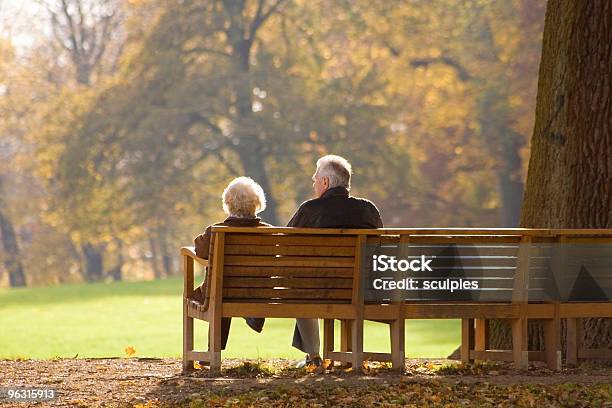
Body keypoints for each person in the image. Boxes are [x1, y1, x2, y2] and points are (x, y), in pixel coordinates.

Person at [287, 154, 383, 368]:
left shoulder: (309, 210)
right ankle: (333, 355)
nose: (313, 183)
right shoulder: (368, 210)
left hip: (316, 290)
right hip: (364, 289)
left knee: (300, 283)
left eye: (315, 179)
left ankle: (313, 357)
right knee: (306, 282)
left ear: (325, 182)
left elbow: (285, 245)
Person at [192, 177, 269, 350]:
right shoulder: (269, 233)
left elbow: (200, 251)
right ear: (257, 203)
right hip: (256, 294)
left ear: (228, 203)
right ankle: (252, 314)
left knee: (219, 288)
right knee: (225, 286)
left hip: (221, 292)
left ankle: (214, 350)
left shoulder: (216, 232)